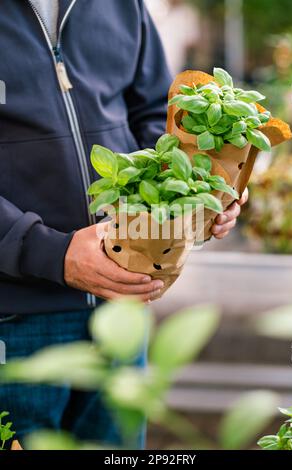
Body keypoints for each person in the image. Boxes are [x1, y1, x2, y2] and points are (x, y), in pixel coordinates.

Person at [0, 0, 247, 449]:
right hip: (13, 320)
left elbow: (156, 117)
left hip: (122, 311)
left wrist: (205, 185)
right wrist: (45, 250)